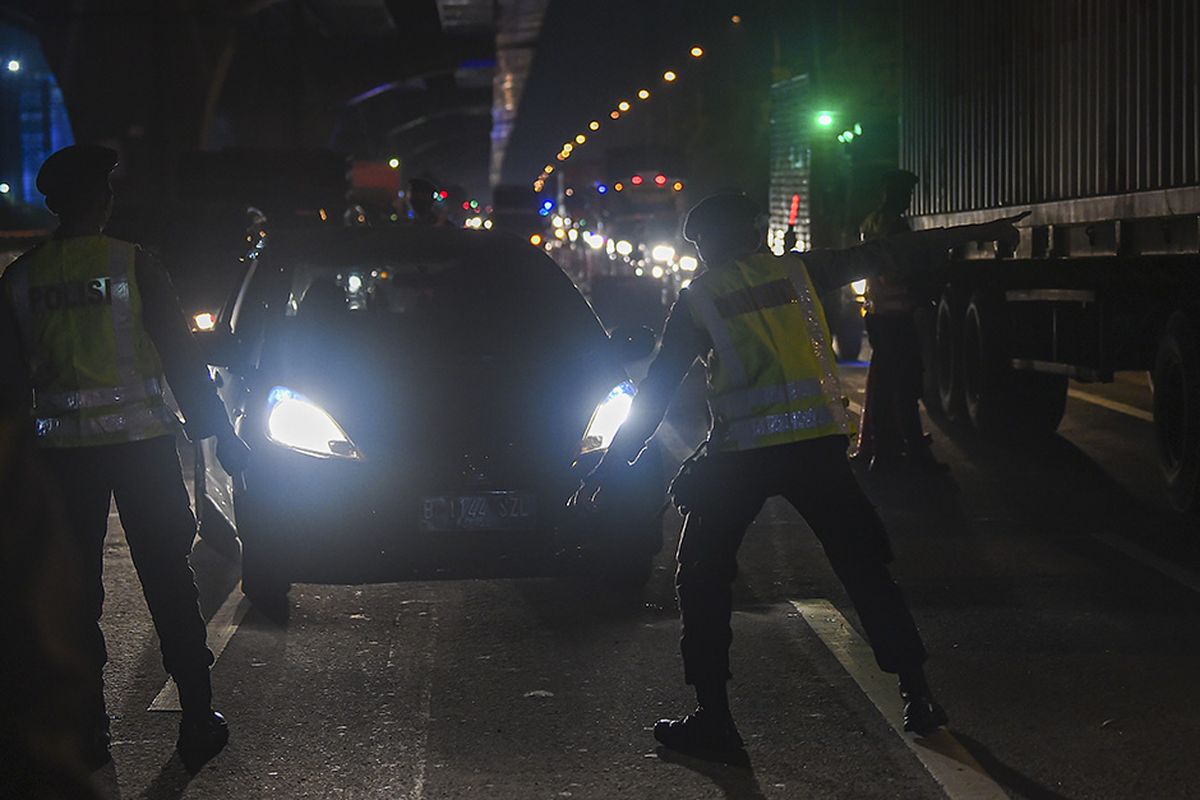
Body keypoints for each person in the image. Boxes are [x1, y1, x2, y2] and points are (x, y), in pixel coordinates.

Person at [572, 193, 1024, 761]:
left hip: (741, 456)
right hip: (817, 447)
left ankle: (714, 717)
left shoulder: (700, 298)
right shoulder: (802, 269)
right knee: (866, 567)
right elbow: (890, 251)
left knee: (702, 575)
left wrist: (609, 470)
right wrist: (980, 228)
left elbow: (657, 394)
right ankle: (919, 695)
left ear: (708, 245)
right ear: (754, 233)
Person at [0, 145, 251, 774]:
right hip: (140, 452)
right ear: (104, 200)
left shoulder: (20, 280)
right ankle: (197, 719)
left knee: (75, 597)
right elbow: (181, 361)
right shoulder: (135, 266)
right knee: (170, 581)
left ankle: (88, 729)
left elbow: (5, 387)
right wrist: (220, 433)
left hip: (60, 464)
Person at [855, 170, 945, 472]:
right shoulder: (896, 228)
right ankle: (912, 452)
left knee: (883, 384)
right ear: (891, 194)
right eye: (904, 194)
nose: (907, 200)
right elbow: (904, 271)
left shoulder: (869, 223)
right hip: (898, 316)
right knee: (905, 385)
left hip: (878, 314)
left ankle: (882, 449)